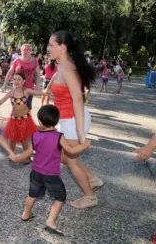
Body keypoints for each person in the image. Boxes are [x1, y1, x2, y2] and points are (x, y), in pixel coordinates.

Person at [9, 105, 91, 235]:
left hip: (36, 173)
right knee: (60, 197)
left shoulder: (35, 135)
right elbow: (71, 150)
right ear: (56, 121)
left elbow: (28, 152)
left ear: (40, 122)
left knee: (32, 195)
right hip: (51, 175)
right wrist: (85, 145)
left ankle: (26, 213)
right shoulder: (59, 137)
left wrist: (16, 158)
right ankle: (51, 221)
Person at [45, 30, 103, 209]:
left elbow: (78, 98)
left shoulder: (67, 68)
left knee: (69, 160)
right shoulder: (63, 66)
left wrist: (79, 131)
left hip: (73, 120)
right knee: (68, 158)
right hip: (69, 119)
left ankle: (89, 197)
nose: (48, 49)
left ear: (62, 47)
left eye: (51, 45)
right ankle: (92, 179)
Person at [0, 72, 43, 160]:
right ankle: (12, 155)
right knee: (12, 139)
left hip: (25, 119)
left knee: (23, 139)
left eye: (19, 79)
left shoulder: (26, 91)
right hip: (14, 120)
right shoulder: (11, 93)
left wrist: (48, 91)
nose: (16, 81)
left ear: (23, 81)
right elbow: (0, 102)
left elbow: (39, 93)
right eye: (14, 79)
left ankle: (27, 156)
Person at [2, 44, 41, 110]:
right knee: (16, 108)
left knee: (27, 108)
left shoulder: (35, 61)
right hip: (17, 89)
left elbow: (38, 73)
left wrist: (37, 86)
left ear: (30, 51)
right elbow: (10, 72)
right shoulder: (17, 60)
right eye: (24, 50)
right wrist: (5, 84)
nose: (26, 51)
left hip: (29, 89)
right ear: (21, 51)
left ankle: (27, 120)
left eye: (28, 50)